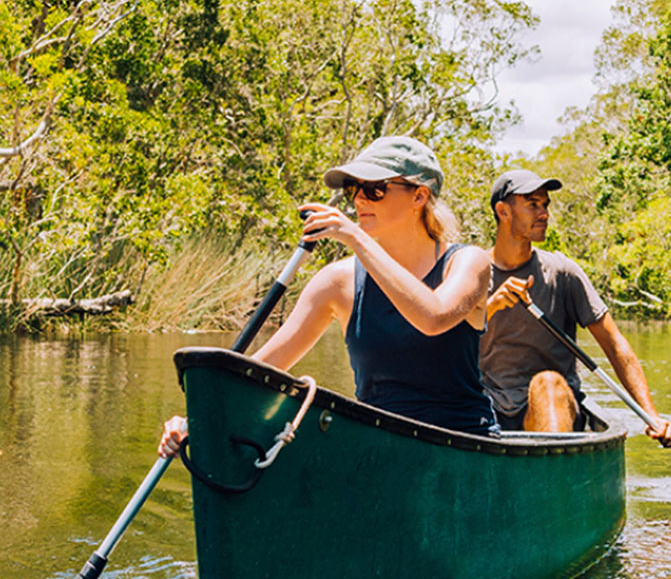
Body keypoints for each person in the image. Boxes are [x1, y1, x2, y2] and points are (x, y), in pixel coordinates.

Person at [159, 136, 498, 457]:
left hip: (464, 445)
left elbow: (433, 317)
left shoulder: (468, 262)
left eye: (374, 189)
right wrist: (196, 420)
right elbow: (263, 369)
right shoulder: (338, 281)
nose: (359, 200)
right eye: (354, 189)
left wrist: (355, 239)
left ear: (419, 197)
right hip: (380, 450)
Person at [479, 168, 671, 446]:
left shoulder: (564, 273)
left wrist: (651, 416)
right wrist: (491, 306)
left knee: (547, 384)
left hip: (555, 405)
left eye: (546, 205)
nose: (544, 214)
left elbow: (616, 345)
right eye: (532, 205)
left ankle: (552, 471)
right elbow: (445, 341)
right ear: (503, 211)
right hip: (488, 407)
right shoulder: (470, 271)